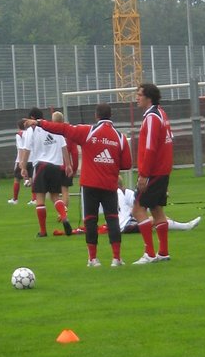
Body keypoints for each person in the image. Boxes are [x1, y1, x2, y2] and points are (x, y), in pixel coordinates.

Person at [25, 103, 132, 267]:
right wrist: (108, 162)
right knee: (112, 219)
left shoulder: (87, 131)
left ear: (96, 116)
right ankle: (116, 258)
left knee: (90, 220)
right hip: (109, 184)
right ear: (110, 116)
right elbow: (126, 164)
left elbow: (64, 129)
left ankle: (93, 259)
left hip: (89, 184)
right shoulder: (120, 137)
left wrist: (39, 123)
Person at [132, 83, 173, 264]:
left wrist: (143, 174)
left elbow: (150, 148)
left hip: (153, 172)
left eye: (139, 94)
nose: (137, 97)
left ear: (148, 97)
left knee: (138, 209)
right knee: (157, 210)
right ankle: (163, 252)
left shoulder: (151, 117)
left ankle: (149, 253)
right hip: (162, 170)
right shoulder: (161, 113)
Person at [20, 108, 73, 237]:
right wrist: (68, 165)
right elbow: (64, 147)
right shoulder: (54, 127)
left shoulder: (31, 130)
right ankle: (64, 216)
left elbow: (26, 149)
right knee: (55, 197)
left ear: (32, 117)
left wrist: (23, 166)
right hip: (56, 166)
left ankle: (43, 231)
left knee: (40, 199)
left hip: (41, 165)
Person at [116, 176, 201, 233]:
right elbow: (140, 204)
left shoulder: (118, 193)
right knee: (158, 219)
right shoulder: (121, 192)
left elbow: (138, 203)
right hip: (126, 225)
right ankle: (185, 226)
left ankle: (183, 226)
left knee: (159, 218)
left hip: (124, 223)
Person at [52, 111, 79, 208]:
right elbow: (75, 153)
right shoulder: (69, 133)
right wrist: (74, 168)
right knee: (65, 190)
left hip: (54, 166)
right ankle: (64, 212)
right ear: (62, 120)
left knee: (53, 193)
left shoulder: (50, 132)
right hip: (66, 167)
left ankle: (61, 212)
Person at [8, 120, 35, 205]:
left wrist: (21, 161)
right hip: (32, 158)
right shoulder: (31, 133)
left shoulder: (19, 134)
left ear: (19, 127)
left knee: (16, 179)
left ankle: (15, 199)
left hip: (23, 159)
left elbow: (20, 148)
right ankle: (34, 199)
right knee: (32, 178)